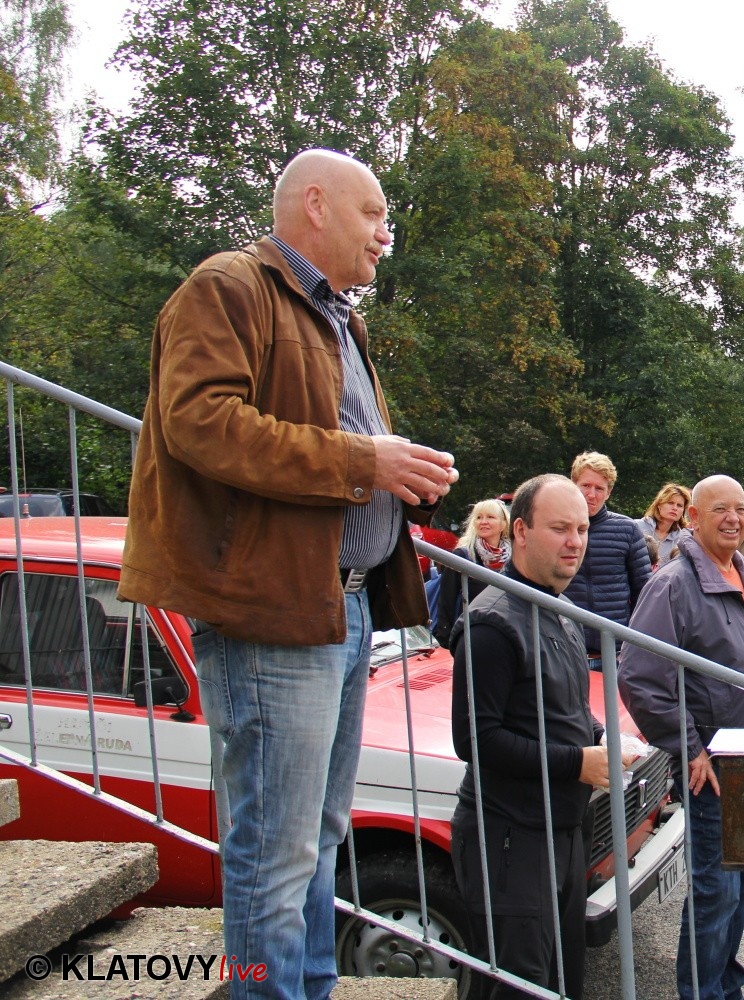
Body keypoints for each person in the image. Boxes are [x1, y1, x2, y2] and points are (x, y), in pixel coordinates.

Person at [119, 149, 458, 1000]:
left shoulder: (338, 318)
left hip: (341, 613)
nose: (386, 234)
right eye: (373, 214)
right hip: (269, 617)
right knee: (275, 850)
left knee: (319, 837)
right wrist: (365, 462)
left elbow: (330, 451)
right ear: (315, 205)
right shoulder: (227, 287)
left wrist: (398, 476)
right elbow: (200, 422)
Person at [448, 475, 622, 1000]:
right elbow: (476, 740)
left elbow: (565, 710)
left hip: (563, 833)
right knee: (521, 987)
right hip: (510, 839)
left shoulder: (558, 612)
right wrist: (578, 763)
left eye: (582, 529)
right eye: (560, 529)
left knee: (563, 981)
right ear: (520, 531)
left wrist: (603, 742)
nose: (575, 542)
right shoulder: (490, 624)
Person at [619, 475, 744, 1000]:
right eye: (720, 509)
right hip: (714, 768)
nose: (734, 518)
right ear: (693, 517)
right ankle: (702, 991)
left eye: (741, 508)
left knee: (743, 885)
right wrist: (690, 748)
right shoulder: (673, 585)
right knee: (717, 891)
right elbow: (640, 678)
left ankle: (723, 985)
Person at [563, 451, 652, 669]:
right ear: (573, 485)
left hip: (616, 652)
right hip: (566, 648)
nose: (591, 494)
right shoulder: (556, 527)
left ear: (609, 492)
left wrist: (635, 641)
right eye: (585, 486)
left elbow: (644, 591)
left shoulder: (627, 529)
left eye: (599, 488)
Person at [433, 498, 510, 648]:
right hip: (470, 636)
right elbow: (446, 599)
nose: (483, 522)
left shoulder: (513, 557)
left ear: (503, 524)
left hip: (503, 633)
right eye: (479, 517)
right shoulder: (462, 555)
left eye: (490, 517)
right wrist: (447, 638)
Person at [638, 482, 691, 557]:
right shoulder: (637, 526)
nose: (675, 508)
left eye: (679, 505)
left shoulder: (682, 540)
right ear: (659, 505)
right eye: (670, 503)